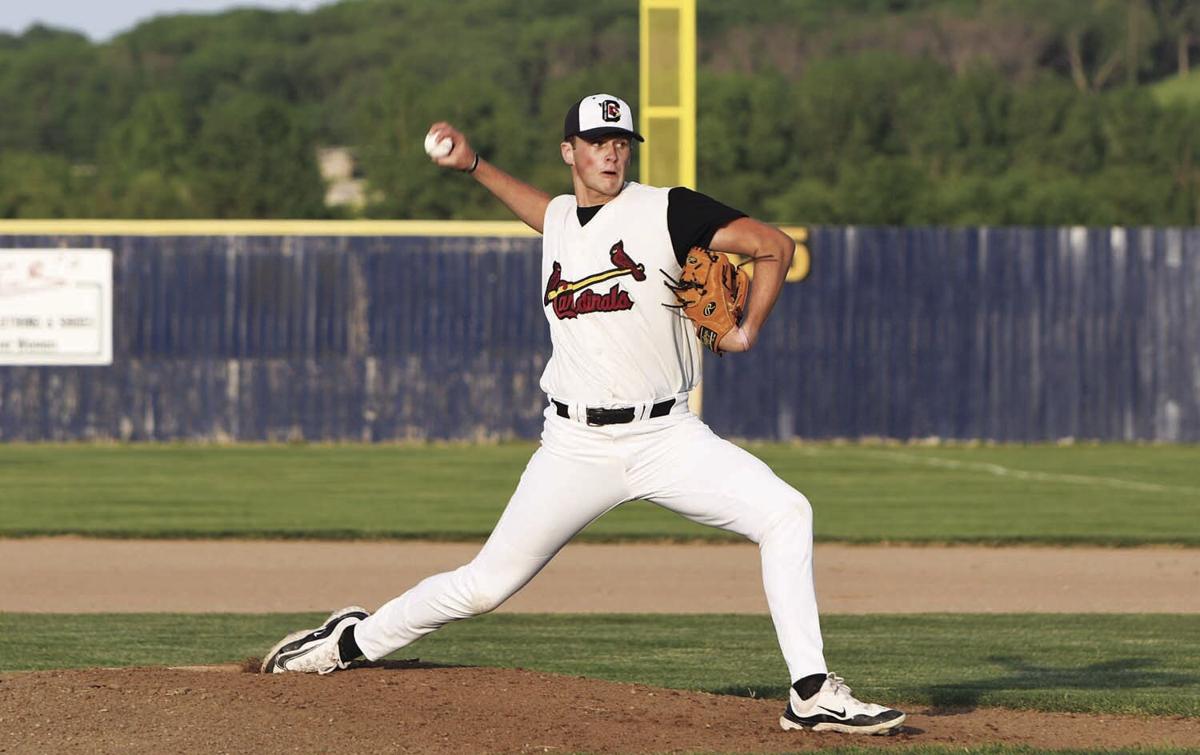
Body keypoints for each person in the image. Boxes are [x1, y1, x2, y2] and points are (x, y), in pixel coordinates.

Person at [261, 93, 905, 735]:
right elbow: (541, 211)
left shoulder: (669, 209)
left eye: (621, 141)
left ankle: (812, 691)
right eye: (598, 141)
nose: (612, 152)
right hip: (574, 446)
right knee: (484, 586)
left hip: (666, 437)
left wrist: (746, 331)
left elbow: (773, 246)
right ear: (571, 151)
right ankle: (348, 642)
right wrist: (473, 165)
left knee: (786, 512)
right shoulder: (563, 219)